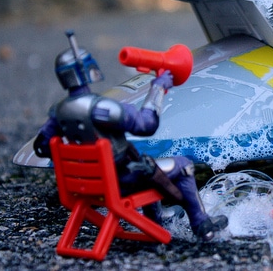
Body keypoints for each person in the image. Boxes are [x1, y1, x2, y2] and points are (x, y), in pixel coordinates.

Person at [33, 31, 228, 240]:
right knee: (181, 165)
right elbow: (146, 125)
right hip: (120, 181)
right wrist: (158, 88)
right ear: (85, 69)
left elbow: (42, 146)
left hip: (84, 185)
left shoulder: (58, 112)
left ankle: (157, 221)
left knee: (145, 163)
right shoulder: (101, 107)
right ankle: (201, 223)